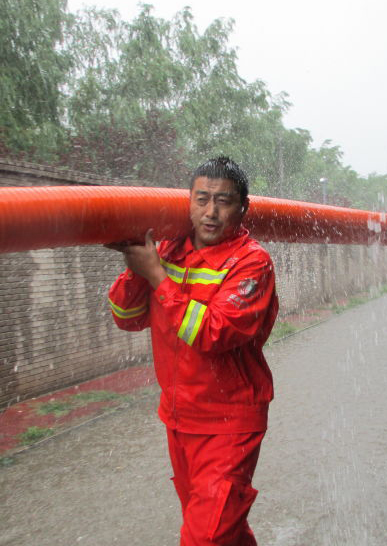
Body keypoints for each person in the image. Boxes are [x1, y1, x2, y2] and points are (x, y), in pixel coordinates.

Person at [106, 157, 279, 545]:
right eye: (202, 199)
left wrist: (156, 276)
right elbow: (127, 316)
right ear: (188, 202)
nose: (211, 212)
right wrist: (137, 266)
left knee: (206, 536)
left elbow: (213, 334)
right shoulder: (168, 251)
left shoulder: (252, 262)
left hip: (229, 423)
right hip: (180, 419)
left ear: (242, 208)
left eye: (224, 201)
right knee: (221, 531)